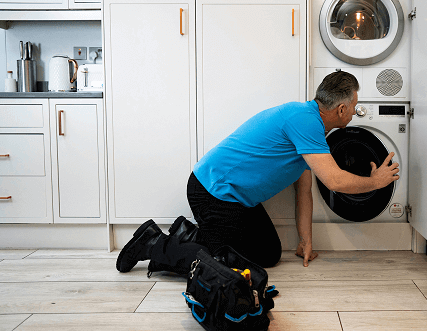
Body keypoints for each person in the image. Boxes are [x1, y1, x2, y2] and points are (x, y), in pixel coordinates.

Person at [116, 71, 400, 275]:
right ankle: (154, 243)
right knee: (222, 261)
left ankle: (191, 234)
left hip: (237, 199)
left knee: (268, 255)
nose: (354, 113)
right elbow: (334, 180)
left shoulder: (312, 132)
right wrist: (375, 182)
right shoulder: (304, 121)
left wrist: (305, 240)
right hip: (213, 191)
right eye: (353, 107)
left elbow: (304, 189)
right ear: (340, 108)